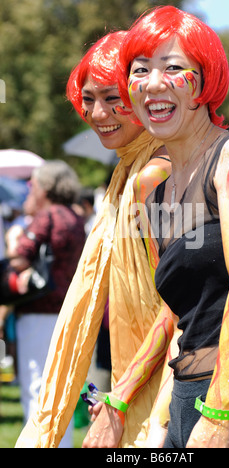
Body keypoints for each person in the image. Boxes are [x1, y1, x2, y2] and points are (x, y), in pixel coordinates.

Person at [110, 6, 229, 448]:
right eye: (141, 70)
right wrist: (156, 417)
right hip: (187, 396)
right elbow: (179, 315)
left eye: (173, 67)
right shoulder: (154, 194)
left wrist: (217, 413)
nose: (154, 83)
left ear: (205, 79)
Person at [16, 31, 172, 448]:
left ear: (141, 95)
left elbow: (182, 304)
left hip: (167, 398)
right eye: (88, 99)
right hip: (136, 386)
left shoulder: (155, 173)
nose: (98, 113)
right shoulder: (127, 173)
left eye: (112, 97)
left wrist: (121, 399)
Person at [10, 160, 85, 447]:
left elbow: (20, 256)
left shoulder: (47, 216)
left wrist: (14, 236)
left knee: (35, 386)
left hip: (38, 310)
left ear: (46, 187)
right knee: (57, 388)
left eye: (35, 184)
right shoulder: (75, 217)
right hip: (66, 311)